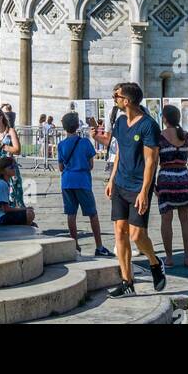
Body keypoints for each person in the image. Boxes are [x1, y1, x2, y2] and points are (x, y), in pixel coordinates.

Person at [105, 82, 165, 298]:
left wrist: (144, 192)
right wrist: (112, 179)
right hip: (120, 183)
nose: (115, 98)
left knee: (137, 234)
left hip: (139, 187)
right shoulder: (121, 122)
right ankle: (127, 281)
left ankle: (154, 262)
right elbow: (120, 152)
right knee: (119, 232)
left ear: (127, 100)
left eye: (117, 95)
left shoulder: (149, 125)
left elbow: (151, 161)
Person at [57, 111, 112, 258]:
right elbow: (90, 165)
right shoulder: (85, 142)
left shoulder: (61, 145)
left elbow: (61, 167)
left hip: (67, 181)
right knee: (92, 214)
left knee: (71, 214)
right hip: (82, 181)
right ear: (77, 126)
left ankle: (75, 245)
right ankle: (99, 246)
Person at [156, 104, 188, 268]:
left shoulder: (160, 136)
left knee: (166, 220)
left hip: (166, 179)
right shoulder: (186, 136)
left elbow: (154, 161)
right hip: (185, 178)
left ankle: (169, 258)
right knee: (185, 219)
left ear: (164, 119)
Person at [0, 157, 35, 227]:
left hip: (1, 215)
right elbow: (5, 209)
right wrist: (24, 209)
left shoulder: (2, 182)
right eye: (11, 167)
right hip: (0, 218)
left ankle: (26, 226)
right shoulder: (2, 184)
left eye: (15, 166)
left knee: (28, 215)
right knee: (29, 214)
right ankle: (24, 229)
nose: (14, 169)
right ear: (3, 171)